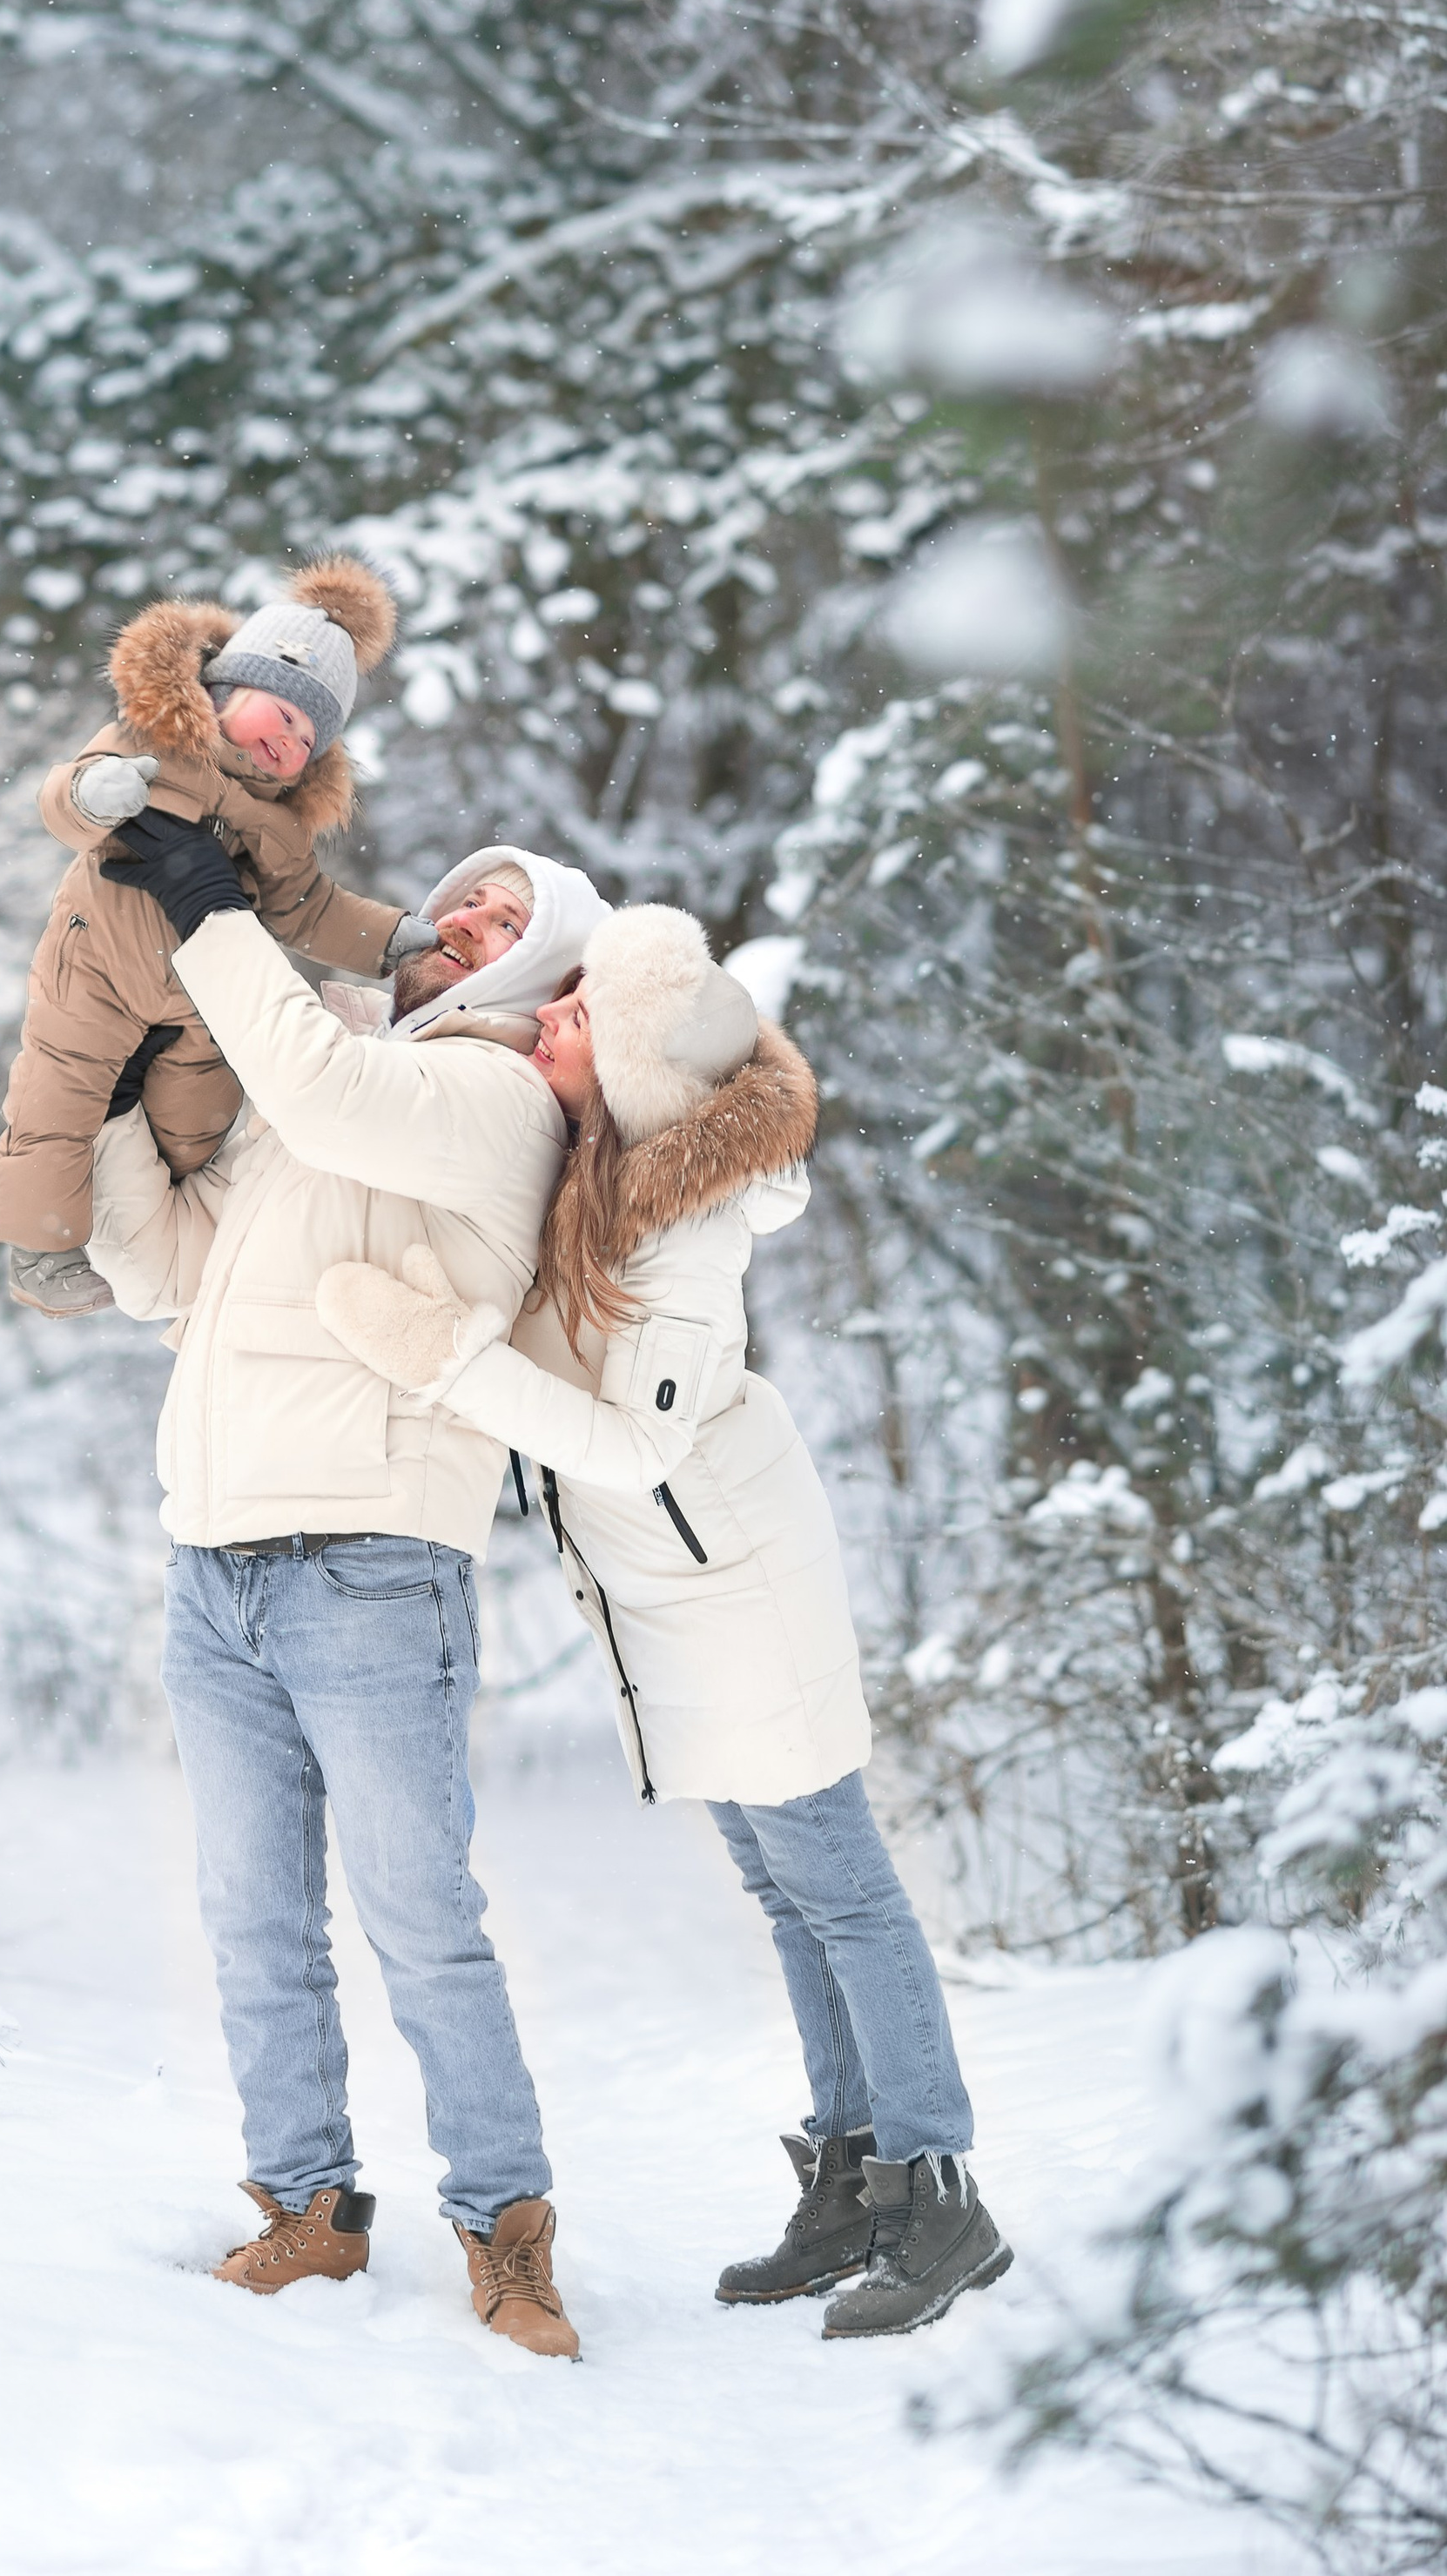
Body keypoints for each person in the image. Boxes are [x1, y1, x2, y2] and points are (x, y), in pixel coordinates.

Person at [313, 904, 1013, 2341]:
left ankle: (939, 2196)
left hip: (739, 1591)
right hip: (676, 1603)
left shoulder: (682, 1224)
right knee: (787, 1887)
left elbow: (629, 1449)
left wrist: (443, 1360)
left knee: (843, 1881)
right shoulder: (596, 1167)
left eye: (576, 1011)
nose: (547, 1018)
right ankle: (848, 2177)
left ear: (633, 1059)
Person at [82, 819, 609, 2356]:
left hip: (373, 1560)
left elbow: (319, 1079)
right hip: (216, 1559)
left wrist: (204, 914)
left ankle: (507, 2228)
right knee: (251, 1918)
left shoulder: (494, 1100)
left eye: (506, 910)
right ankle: (307, 2211)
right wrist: (115, 1119)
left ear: (543, 960)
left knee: (418, 1917)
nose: (469, 916)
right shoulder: (343, 1075)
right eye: (457, 898)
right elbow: (176, 1278)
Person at [0, 558, 438, 1316]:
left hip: (202, 997)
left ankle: (184, 1221)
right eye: (282, 715)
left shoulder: (281, 824)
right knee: (59, 1098)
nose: (288, 743)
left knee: (199, 1123)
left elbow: (309, 909)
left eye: (306, 739)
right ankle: (43, 1246)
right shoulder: (151, 744)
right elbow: (62, 798)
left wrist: (391, 939)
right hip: (96, 963)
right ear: (226, 690)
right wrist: (95, 794)